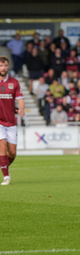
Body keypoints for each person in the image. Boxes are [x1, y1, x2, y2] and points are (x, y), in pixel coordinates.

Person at [0, 56, 25, 185]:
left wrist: (21, 109)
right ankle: (6, 177)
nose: (3, 68)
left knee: (13, 153)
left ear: (8, 67)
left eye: (5, 66)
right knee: (2, 147)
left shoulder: (14, 82)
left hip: (11, 121)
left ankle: (3, 165)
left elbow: (20, 99)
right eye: (0, 66)